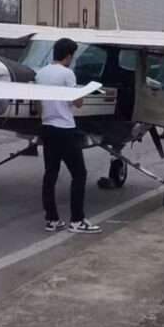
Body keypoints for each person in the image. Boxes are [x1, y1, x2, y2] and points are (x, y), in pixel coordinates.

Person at [35, 38, 101, 234]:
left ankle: (52, 219)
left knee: (50, 173)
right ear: (69, 56)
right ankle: (77, 220)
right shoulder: (67, 73)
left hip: (47, 126)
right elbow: (78, 102)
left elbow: (38, 104)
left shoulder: (41, 73)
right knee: (79, 174)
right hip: (65, 128)